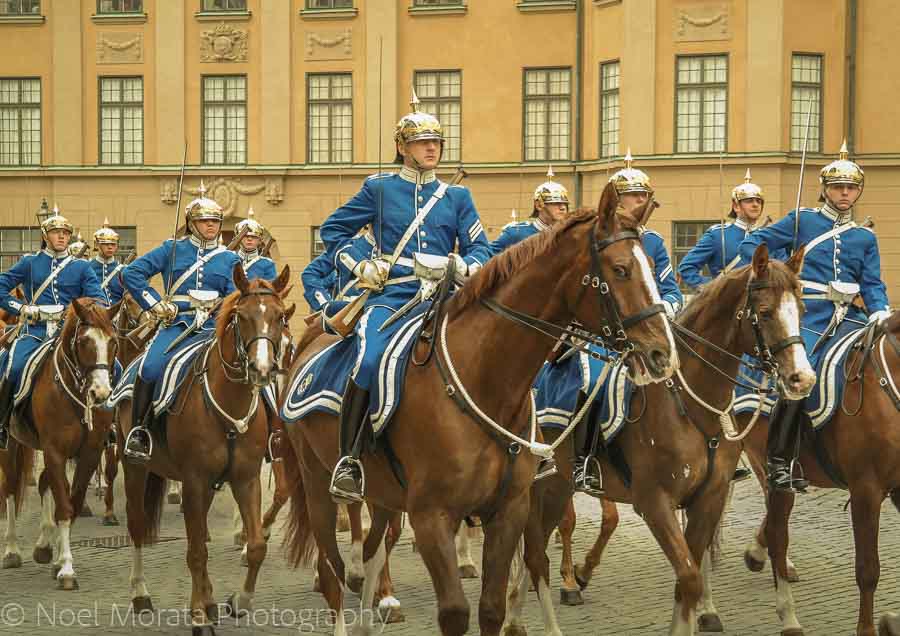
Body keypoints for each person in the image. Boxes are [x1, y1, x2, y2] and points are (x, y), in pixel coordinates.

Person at [321, 91, 492, 503]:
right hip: (394, 297)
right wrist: (361, 265)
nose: (432, 148)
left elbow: (481, 250)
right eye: (421, 142)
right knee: (370, 358)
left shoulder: (457, 196)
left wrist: (460, 267)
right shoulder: (379, 190)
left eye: (436, 142)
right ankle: (351, 459)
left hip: (447, 299)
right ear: (402, 148)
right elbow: (333, 232)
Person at [738, 141, 890, 492]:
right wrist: (776, 275)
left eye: (851, 188)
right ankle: (779, 459)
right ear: (825, 190)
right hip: (807, 315)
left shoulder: (864, 236)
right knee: (799, 373)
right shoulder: (802, 220)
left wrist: (879, 309)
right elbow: (755, 244)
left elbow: (872, 283)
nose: (844, 193)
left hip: (849, 317)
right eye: (838, 187)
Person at [121, 182, 241, 461]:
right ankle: (139, 431)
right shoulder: (171, 249)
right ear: (191, 223)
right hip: (177, 324)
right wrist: (156, 303)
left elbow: (237, 295)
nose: (211, 226)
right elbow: (132, 274)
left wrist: (219, 308)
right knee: (150, 367)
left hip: (214, 328)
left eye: (215, 221)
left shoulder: (230, 258)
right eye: (204, 221)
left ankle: (273, 433)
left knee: (252, 368)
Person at [0, 208, 105, 449]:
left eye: (65, 233)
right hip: (35, 331)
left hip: (68, 333)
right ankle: (3, 424)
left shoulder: (81, 267)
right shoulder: (29, 263)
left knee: (112, 366)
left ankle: (106, 424)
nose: (61, 237)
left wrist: (79, 311)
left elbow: (99, 299)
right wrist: (21, 308)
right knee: (12, 367)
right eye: (56, 232)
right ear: (45, 235)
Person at [609, 150, 683, 318]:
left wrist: (661, 309)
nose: (642, 200)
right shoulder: (596, 238)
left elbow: (672, 292)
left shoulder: (652, 241)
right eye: (634, 194)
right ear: (615, 199)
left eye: (645, 195)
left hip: (647, 323)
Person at [678, 170, 768, 288]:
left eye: (759, 201)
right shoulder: (717, 235)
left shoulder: (769, 237)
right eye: (749, 201)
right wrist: (713, 289)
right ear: (736, 206)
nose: (755, 204)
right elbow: (687, 268)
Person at [302, 229, 375, 334]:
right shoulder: (349, 246)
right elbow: (311, 273)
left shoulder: (399, 250)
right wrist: (325, 304)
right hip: (346, 318)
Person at [490, 166, 569, 254]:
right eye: (555, 203)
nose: (563, 208)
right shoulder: (517, 233)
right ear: (539, 205)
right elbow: (487, 255)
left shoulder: (569, 235)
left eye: (565, 204)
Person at [234, 207, 276, 281]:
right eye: (245, 236)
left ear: (260, 240)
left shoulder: (267, 264)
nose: (249, 239)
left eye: (254, 237)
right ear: (239, 238)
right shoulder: (230, 260)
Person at [90, 219, 126, 306]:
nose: (110, 247)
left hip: (118, 315)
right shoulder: (87, 267)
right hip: (95, 315)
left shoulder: (123, 269)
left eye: (113, 244)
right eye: (106, 244)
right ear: (97, 245)